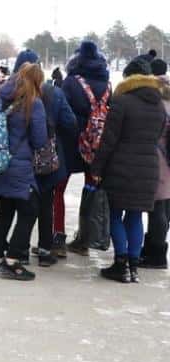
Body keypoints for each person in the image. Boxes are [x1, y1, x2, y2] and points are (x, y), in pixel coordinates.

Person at [90, 58, 166, 283]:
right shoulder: (159, 105)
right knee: (135, 215)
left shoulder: (122, 102)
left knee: (114, 213)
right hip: (149, 168)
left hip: (120, 167)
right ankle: (133, 267)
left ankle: (120, 264)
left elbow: (109, 140)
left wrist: (97, 167)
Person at [0, 63, 48, 281]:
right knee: (29, 210)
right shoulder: (33, 104)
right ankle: (13, 261)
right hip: (18, 166)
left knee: (4, 212)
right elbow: (39, 140)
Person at [58, 40, 111, 256]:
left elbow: (62, 113)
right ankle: (85, 240)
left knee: (58, 189)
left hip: (71, 143)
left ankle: (57, 238)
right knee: (91, 190)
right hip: (98, 145)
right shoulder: (107, 85)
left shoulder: (71, 82)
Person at [32, 73, 78, 266]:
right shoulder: (55, 93)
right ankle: (45, 249)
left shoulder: (16, 92)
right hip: (49, 154)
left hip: (23, 155)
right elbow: (71, 122)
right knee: (47, 201)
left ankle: (16, 251)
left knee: (24, 204)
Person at [142, 58, 170, 269]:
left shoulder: (156, 97)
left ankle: (156, 253)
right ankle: (156, 248)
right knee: (164, 206)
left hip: (159, 157)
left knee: (157, 206)